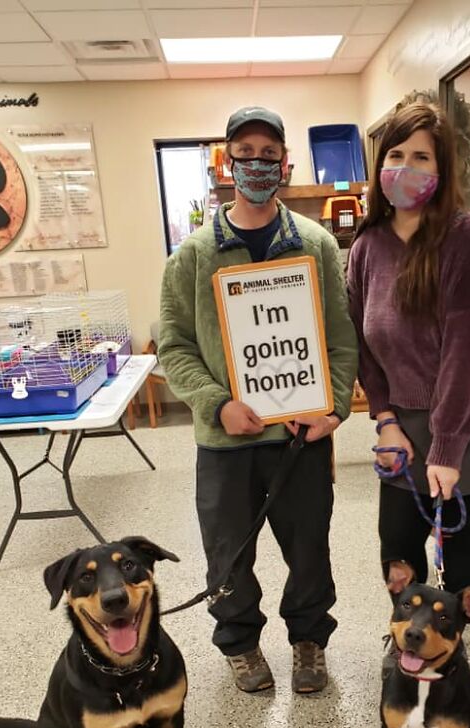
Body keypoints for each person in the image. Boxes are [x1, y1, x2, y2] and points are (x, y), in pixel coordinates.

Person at [159, 106, 358, 694]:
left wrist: (333, 408)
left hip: (299, 437)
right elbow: (175, 346)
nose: (257, 165)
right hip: (227, 440)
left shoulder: (316, 246)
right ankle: (240, 644)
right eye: (245, 154)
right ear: (228, 164)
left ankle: (309, 641)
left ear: (285, 164)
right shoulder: (193, 256)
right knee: (227, 553)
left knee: (309, 548)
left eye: (269, 155)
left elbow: (341, 337)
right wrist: (216, 403)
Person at [347, 102, 470, 596]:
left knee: (458, 546)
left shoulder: (467, 237)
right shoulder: (368, 244)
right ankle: (408, 631)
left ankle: (447, 638)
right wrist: (385, 419)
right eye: (396, 155)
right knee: (397, 545)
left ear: (442, 170)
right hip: (408, 410)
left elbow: (468, 353)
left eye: (421, 158)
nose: (405, 168)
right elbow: (362, 343)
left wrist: (448, 447)